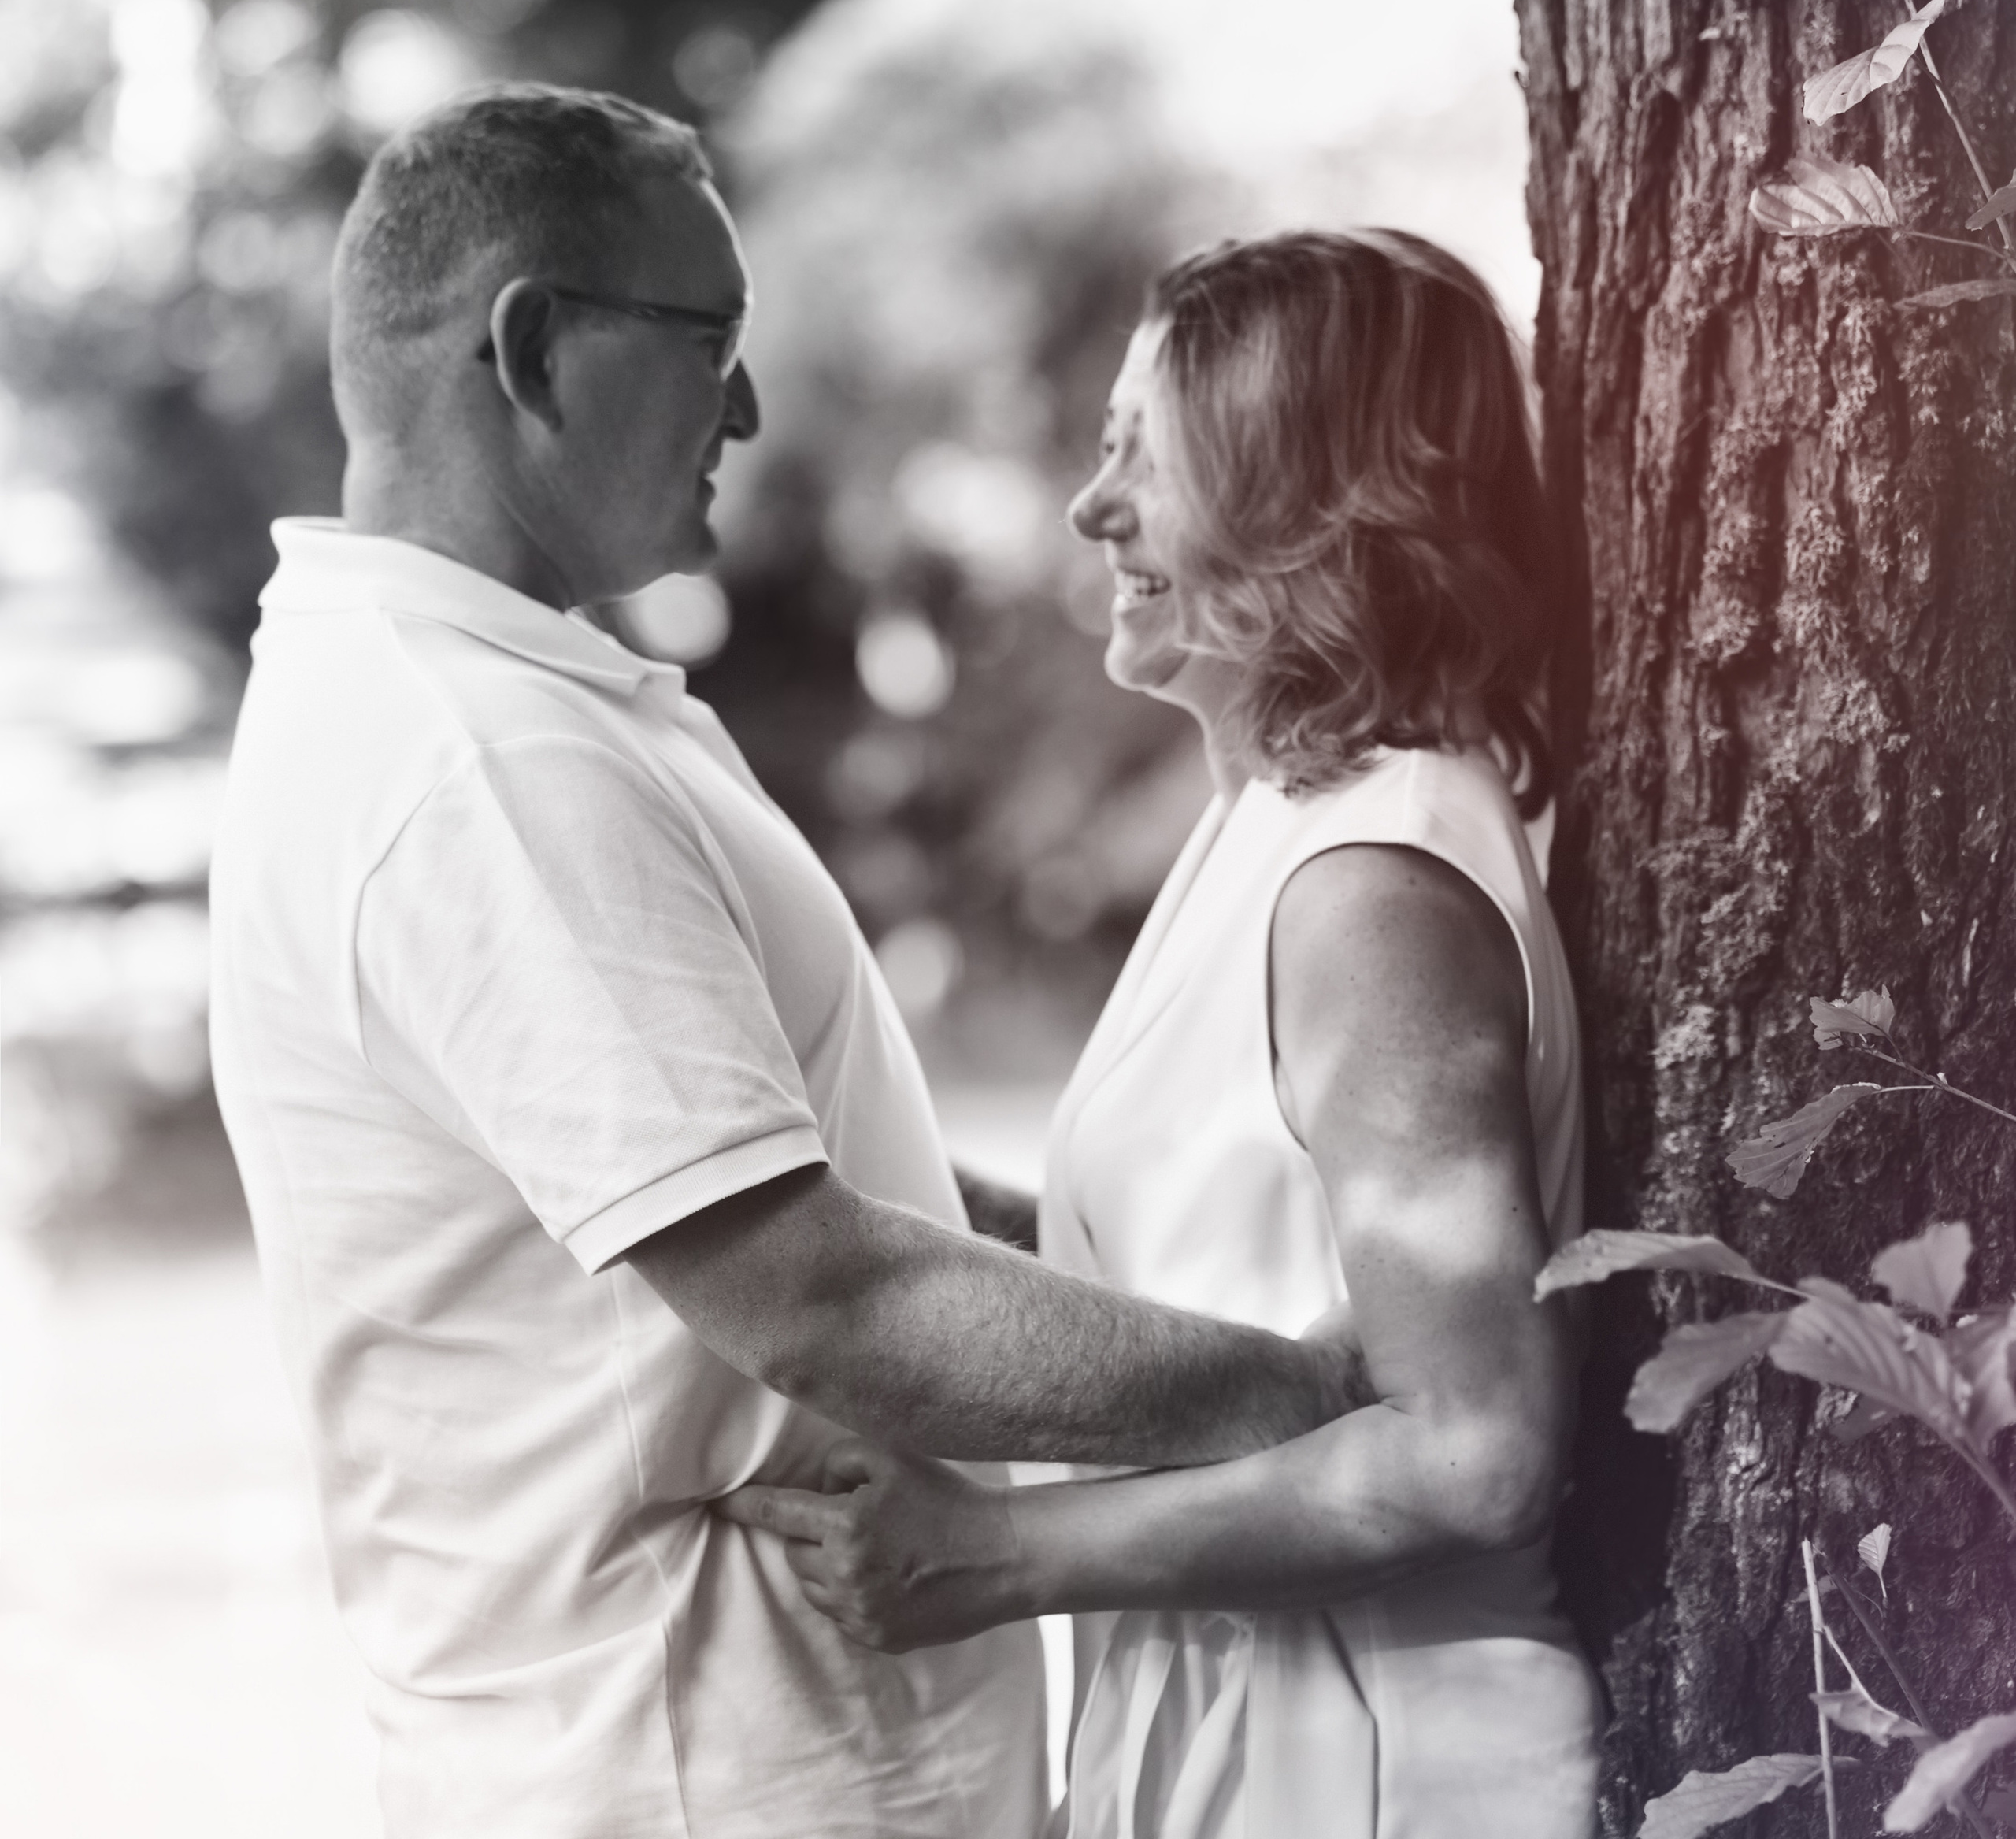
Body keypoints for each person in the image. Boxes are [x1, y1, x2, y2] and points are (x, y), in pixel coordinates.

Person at [206, 88, 1369, 1839]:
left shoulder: (487, 700)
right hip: (695, 1781)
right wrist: (1329, 1397)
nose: (742, 404)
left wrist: (1180, 1248)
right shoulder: (474, 762)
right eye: (708, 341)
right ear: (531, 350)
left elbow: (826, 1178)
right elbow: (824, 1296)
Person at [719, 231, 1606, 1838]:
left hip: (1380, 1760)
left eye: (1148, 451)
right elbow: (1194, 1274)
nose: (1089, 503)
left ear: (1305, 497)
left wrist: (1000, 1558)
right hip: (1226, 1736)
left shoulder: (1370, 887)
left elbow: (1475, 1447)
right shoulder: (1270, 820)